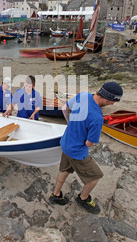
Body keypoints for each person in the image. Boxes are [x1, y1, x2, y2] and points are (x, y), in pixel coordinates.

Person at [49, 82, 123, 214]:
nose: (112, 104)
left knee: (64, 170)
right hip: (77, 151)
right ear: (107, 98)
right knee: (95, 176)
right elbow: (89, 143)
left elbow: (64, 108)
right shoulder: (97, 117)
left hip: (66, 143)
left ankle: (56, 195)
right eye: (113, 102)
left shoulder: (83, 95)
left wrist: (71, 124)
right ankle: (83, 198)